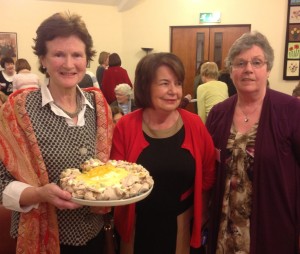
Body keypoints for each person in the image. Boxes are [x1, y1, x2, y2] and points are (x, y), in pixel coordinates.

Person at [0, 12, 113, 254]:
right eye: (59, 54)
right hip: (42, 238)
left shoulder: (99, 107)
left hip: (94, 236)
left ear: (87, 58)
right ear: (43, 59)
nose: (69, 64)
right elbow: (1, 182)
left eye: (77, 55)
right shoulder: (18, 110)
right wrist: (39, 194)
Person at [111, 52, 216, 254]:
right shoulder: (126, 125)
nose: (174, 91)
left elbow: (208, 172)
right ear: (145, 86)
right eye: (164, 83)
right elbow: (116, 177)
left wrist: (201, 214)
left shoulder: (194, 124)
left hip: (181, 224)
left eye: (177, 83)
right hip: (137, 225)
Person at [205, 31, 300, 254]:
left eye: (256, 62)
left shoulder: (291, 110)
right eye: (240, 63)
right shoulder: (218, 113)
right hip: (224, 228)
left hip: (273, 226)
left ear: (268, 69)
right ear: (230, 70)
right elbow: (209, 166)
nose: (248, 69)